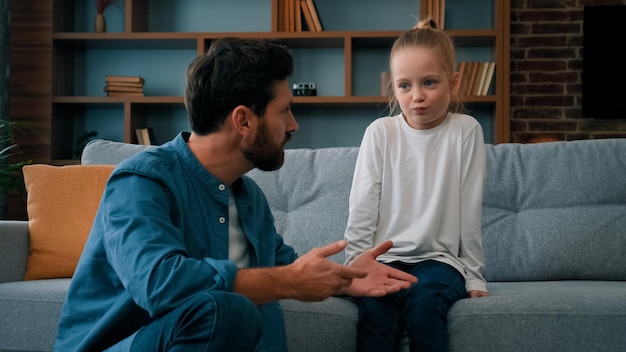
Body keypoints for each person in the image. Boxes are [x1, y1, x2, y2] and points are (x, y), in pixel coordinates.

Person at [53, 37, 417, 352]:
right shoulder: (141, 181)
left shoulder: (250, 199)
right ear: (243, 120)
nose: (293, 125)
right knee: (226, 310)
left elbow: (285, 268)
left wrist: (348, 276)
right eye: (285, 110)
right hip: (125, 344)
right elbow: (159, 284)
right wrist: (291, 281)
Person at [344, 18, 489, 352]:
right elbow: (363, 206)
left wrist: (475, 277)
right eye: (405, 86)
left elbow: (470, 211)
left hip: (440, 263)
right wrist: (357, 269)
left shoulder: (466, 131)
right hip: (384, 261)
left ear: (454, 82)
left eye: (429, 83)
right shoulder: (380, 133)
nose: (417, 96)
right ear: (392, 87)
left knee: (425, 309)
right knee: (376, 318)